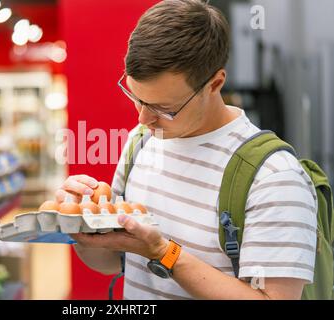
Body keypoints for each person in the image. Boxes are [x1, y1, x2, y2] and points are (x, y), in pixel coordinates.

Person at [55, 0, 317, 300]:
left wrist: (164, 253)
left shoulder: (273, 176)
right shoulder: (141, 142)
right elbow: (115, 263)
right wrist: (82, 230)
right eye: (137, 98)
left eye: (164, 108)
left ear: (215, 83)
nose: (143, 118)